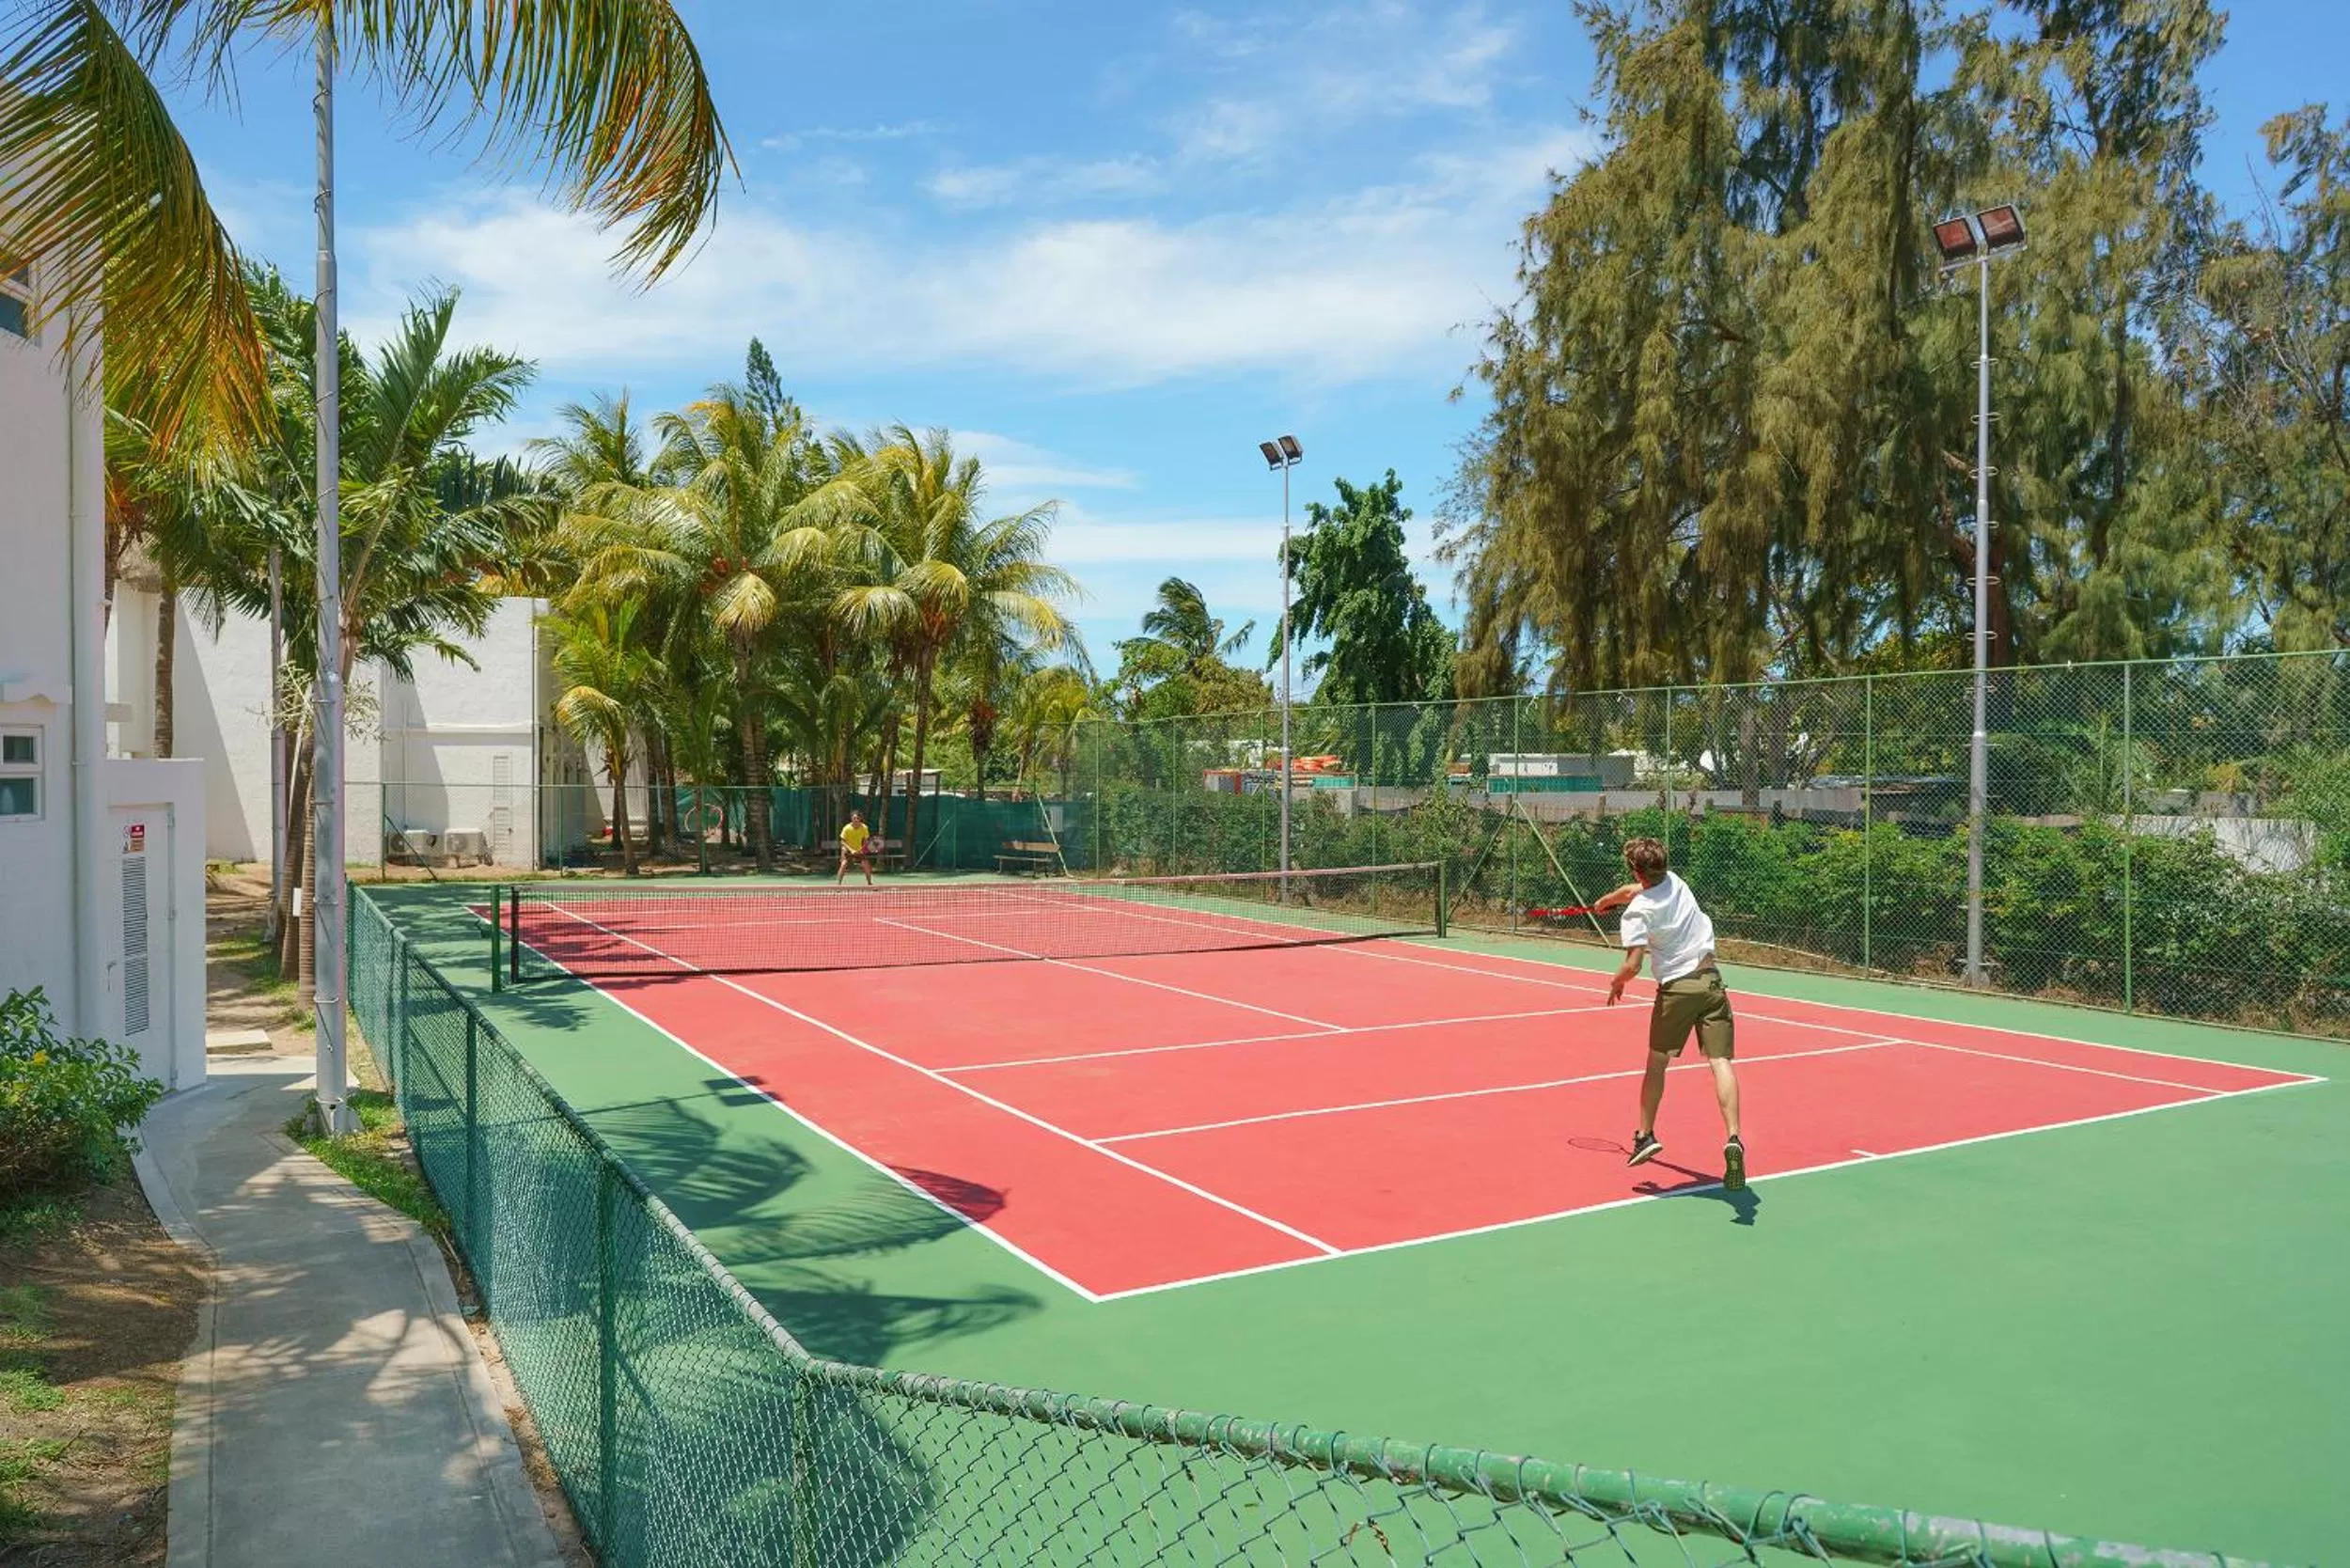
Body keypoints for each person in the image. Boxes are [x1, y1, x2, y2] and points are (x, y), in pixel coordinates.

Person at [1592, 837, 1746, 1190]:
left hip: (1677, 990)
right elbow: (1634, 890)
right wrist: (1607, 900)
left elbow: (1633, 964)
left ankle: (1645, 1136)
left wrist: (1616, 981)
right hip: (1712, 983)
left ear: (1636, 871)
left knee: (1657, 1064)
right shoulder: (1676, 882)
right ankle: (1734, 1137)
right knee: (1720, 1062)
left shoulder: (1638, 912)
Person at [837, 809, 875, 887]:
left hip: (859, 850)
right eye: (854, 818)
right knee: (843, 864)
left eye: (857, 818)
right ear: (851, 818)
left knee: (866, 865)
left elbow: (866, 841)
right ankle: (838, 885)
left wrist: (862, 849)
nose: (856, 820)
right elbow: (842, 842)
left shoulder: (864, 827)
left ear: (860, 819)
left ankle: (869, 883)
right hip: (848, 850)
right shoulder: (846, 828)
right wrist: (851, 850)